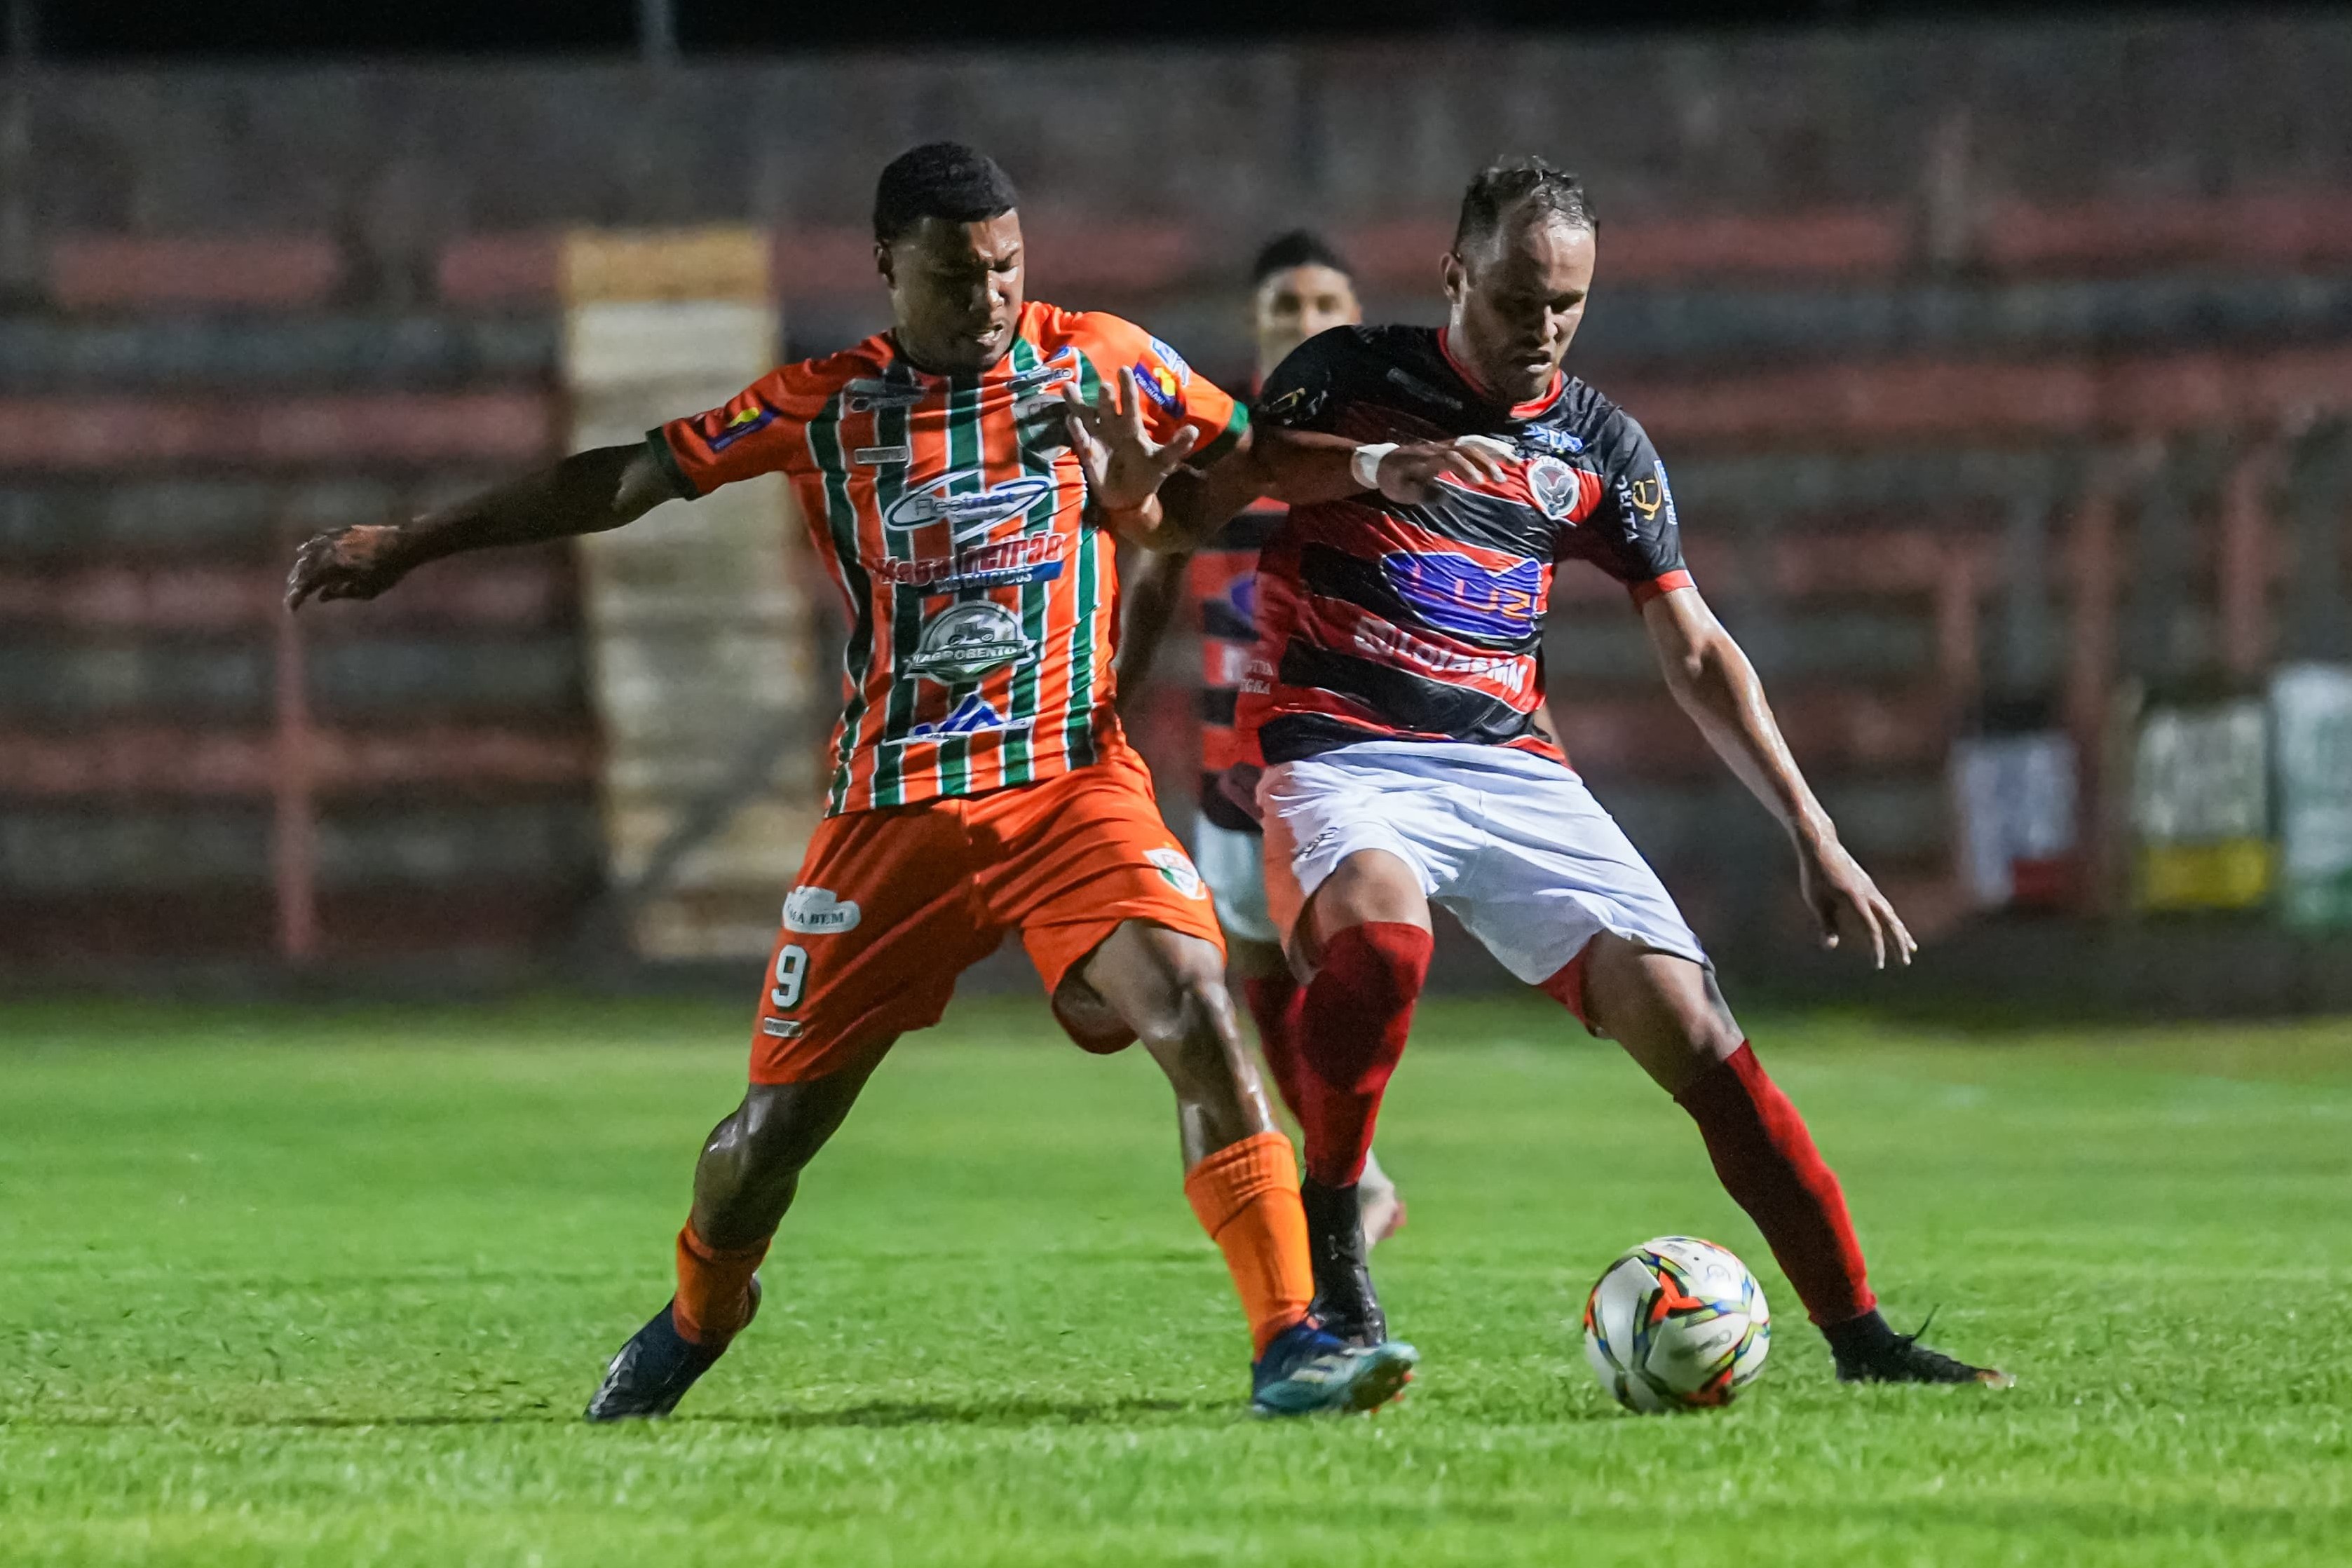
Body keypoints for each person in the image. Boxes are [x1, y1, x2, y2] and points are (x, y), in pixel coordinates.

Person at [283, 142, 1420, 1419]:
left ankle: (1288, 1343)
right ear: (887, 266)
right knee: (763, 1146)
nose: (988, 297)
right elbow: (624, 478)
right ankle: (700, 1309)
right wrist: (412, 542)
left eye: (1006, 267)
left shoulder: (1102, 357)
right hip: (891, 814)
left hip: (1066, 784)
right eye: (954, 274)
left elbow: (1256, 453)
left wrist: (1373, 473)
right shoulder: (824, 409)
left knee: (1204, 1013)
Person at [1085, 155, 2009, 1386]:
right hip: (1339, 750)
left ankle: (1862, 1337)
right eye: (1520, 299)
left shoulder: (1599, 444)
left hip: (1509, 765)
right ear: (1457, 273)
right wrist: (1331, 472)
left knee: (1697, 1026)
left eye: (1568, 305)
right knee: (1383, 944)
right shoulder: (1351, 375)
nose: (1544, 330)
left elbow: (1692, 644)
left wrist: (1813, 828)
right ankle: (1338, 1235)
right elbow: (1209, 504)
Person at [1115, 231, 1407, 1255]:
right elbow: (1154, 575)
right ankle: (1357, 1179)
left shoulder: (1389, 443)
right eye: (1286, 304)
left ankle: (1341, 1171)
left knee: (1350, 958)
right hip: (1231, 765)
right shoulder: (1218, 440)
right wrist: (1107, 697)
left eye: (1327, 301)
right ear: (1258, 323)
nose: (1305, 320)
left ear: (1355, 315)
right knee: (1262, 970)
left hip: (1356, 753)